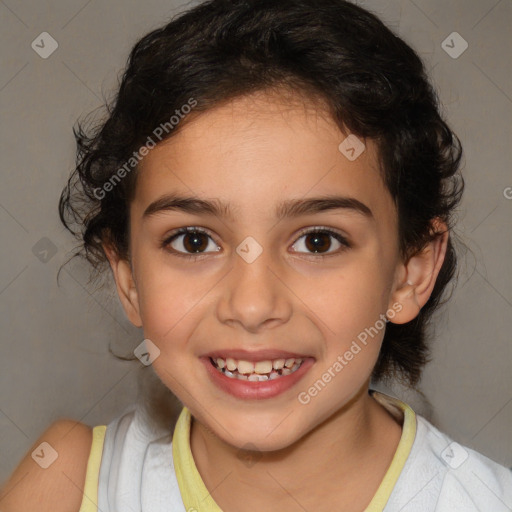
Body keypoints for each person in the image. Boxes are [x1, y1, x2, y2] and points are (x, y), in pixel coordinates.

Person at [1, 0, 511, 510]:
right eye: (194, 241)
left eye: (318, 241)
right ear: (129, 277)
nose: (251, 305)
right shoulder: (64, 486)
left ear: (410, 273)